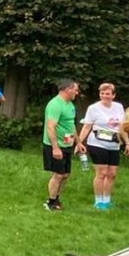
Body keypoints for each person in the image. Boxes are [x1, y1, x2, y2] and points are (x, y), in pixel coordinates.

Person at [78, 83, 129, 210]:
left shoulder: (118, 107)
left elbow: (122, 127)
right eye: (102, 93)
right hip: (97, 143)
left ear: (113, 95)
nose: (104, 96)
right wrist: (80, 142)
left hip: (114, 143)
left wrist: (128, 143)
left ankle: (107, 201)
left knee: (112, 173)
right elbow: (87, 126)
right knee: (101, 172)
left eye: (107, 93)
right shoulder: (93, 108)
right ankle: (98, 201)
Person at [44, 79, 80, 211]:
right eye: (75, 90)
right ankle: (51, 202)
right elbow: (50, 127)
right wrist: (55, 148)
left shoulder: (70, 105)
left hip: (67, 145)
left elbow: (71, 125)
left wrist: (78, 142)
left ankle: (56, 198)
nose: (77, 92)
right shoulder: (55, 104)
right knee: (58, 174)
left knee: (65, 175)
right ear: (67, 90)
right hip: (55, 145)